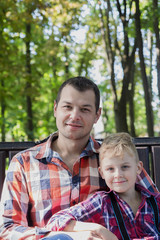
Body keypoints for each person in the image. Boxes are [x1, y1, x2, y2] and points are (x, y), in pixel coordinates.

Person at [0, 77, 158, 240]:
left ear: (97, 115)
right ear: (55, 108)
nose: (74, 116)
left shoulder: (115, 159)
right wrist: (68, 235)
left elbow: (153, 207)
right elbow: (7, 229)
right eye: (67, 107)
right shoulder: (24, 163)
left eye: (85, 109)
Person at [46, 133, 160, 240]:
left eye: (125, 167)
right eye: (110, 169)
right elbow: (56, 220)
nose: (118, 175)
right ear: (102, 173)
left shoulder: (155, 201)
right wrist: (97, 228)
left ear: (138, 168)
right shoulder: (101, 202)